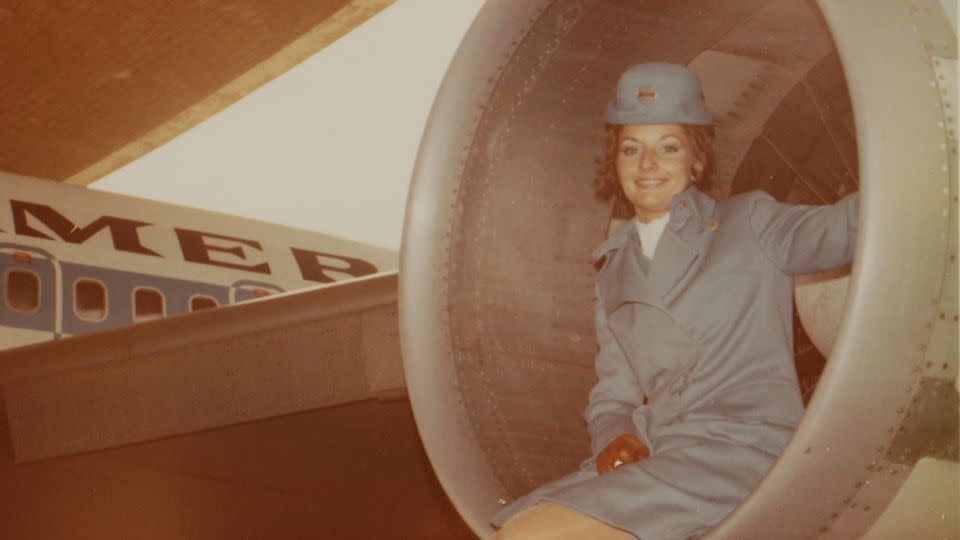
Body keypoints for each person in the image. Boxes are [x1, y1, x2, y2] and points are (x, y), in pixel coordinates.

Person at [491, 63, 859, 540]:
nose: (647, 165)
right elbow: (613, 396)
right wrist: (616, 437)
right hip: (659, 450)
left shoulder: (751, 222)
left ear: (696, 161)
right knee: (511, 525)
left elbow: (846, 229)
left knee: (534, 536)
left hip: (742, 451)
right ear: (615, 162)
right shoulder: (612, 274)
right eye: (631, 149)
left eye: (667, 147)